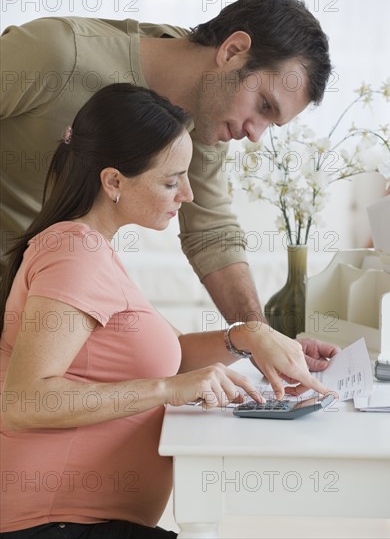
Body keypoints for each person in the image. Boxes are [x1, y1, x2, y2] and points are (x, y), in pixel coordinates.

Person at [0, 84, 331, 538]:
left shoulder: (91, 249)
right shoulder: (74, 252)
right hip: (56, 524)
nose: (188, 194)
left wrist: (249, 338)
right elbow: (25, 401)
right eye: (172, 181)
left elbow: (170, 352)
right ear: (114, 181)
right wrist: (168, 389)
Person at [0, 0, 337, 370]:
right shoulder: (55, 53)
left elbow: (211, 232)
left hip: (46, 319)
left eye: (271, 123)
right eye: (263, 105)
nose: (255, 134)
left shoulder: (207, 121)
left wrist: (264, 339)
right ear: (233, 51)